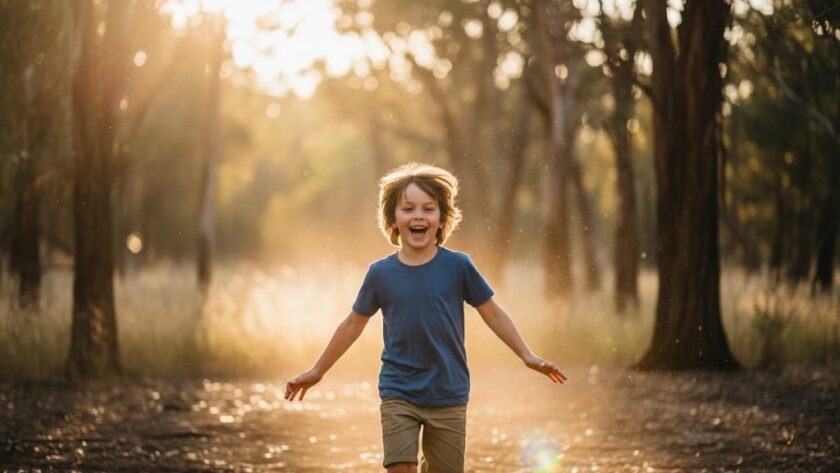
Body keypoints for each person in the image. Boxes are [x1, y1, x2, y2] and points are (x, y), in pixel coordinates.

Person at [285, 163, 566, 472]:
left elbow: (494, 314)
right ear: (393, 218)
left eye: (428, 209)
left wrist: (527, 356)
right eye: (408, 209)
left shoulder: (459, 267)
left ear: (442, 218)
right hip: (398, 390)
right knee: (401, 467)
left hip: (448, 393)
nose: (418, 216)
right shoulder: (380, 273)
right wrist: (318, 370)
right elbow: (353, 324)